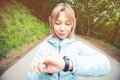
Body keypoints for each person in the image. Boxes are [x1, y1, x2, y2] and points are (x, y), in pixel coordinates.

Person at [27, 3, 110, 80]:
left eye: (67, 24)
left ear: (72, 25)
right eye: (58, 23)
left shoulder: (77, 46)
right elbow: (31, 75)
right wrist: (46, 72)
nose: (62, 29)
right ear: (52, 24)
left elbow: (105, 65)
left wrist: (67, 64)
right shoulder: (44, 46)